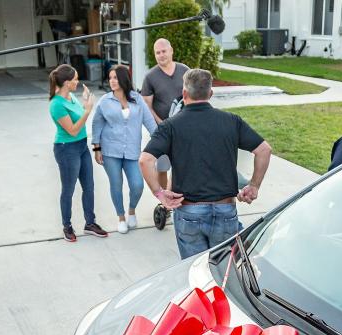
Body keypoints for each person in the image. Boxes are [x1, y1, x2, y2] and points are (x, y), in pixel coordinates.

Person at [139, 69, 272, 259]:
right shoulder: (232, 121)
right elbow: (264, 150)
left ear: (184, 94)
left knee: (196, 271)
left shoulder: (170, 126)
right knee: (223, 270)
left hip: (188, 212)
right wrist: (254, 185)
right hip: (225, 210)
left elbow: (145, 160)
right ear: (210, 94)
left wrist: (160, 193)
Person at [91, 65, 157, 234]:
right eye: (110, 77)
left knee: (137, 185)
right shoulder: (105, 101)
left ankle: (131, 211)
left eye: (115, 77)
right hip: (110, 150)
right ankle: (121, 217)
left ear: (123, 79)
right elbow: (97, 124)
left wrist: (159, 142)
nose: (112, 81)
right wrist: (97, 148)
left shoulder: (137, 98)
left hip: (132, 151)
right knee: (116, 184)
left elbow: (149, 121)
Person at [49, 63, 108, 243]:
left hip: (82, 146)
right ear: (67, 83)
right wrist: (88, 110)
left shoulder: (71, 98)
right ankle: (67, 226)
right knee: (68, 189)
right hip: (67, 148)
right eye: (74, 79)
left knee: (89, 186)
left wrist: (84, 103)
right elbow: (73, 130)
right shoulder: (56, 104)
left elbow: (79, 118)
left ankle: (90, 223)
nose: (77, 81)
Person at [140, 38, 189, 205]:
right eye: (157, 53)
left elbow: (193, 96)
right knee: (162, 166)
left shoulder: (185, 71)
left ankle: (183, 195)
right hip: (162, 130)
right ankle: (164, 200)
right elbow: (146, 105)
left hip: (184, 128)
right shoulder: (150, 77)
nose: (161, 55)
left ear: (171, 51)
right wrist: (161, 123)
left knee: (183, 165)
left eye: (164, 51)